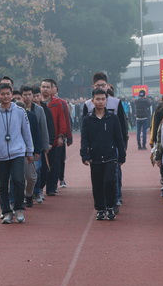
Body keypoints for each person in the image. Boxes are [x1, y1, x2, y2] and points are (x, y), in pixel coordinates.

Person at [0, 83, 34, 224]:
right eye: (2, 94)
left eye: (8, 93)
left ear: (12, 94)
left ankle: (18, 208)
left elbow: (26, 131)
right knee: (3, 185)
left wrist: (29, 150)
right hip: (1, 154)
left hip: (17, 152)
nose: (5, 96)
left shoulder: (20, 111)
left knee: (19, 180)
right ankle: (6, 211)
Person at [80, 88, 126, 221]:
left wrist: (122, 155)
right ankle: (100, 209)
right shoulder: (88, 119)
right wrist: (84, 155)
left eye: (103, 99)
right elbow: (84, 139)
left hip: (110, 155)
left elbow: (119, 138)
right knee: (97, 183)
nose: (100, 102)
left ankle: (110, 206)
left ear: (106, 100)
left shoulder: (113, 118)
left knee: (110, 181)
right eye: (98, 99)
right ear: (92, 101)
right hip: (95, 156)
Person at [40, 78, 69, 196]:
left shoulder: (57, 103)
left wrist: (61, 136)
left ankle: (51, 187)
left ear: (52, 89)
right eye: (43, 87)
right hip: (40, 138)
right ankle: (39, 187)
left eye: (48, 87)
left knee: (54, 163)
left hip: (54, 138)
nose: (45, 89)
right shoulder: (37, 102)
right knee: (41, 164)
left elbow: (61, 120)